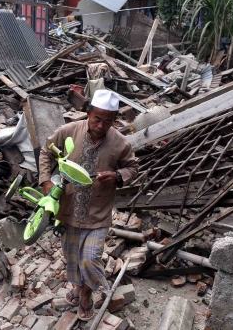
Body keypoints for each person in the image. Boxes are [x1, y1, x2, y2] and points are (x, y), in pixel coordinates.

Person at [38, 89, 139, 321]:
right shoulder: (69, 131)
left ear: (114, 120)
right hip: (67, 209)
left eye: (108, 121)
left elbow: (133, 168)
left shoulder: (120, 143)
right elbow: (46, 150)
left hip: (98, 213)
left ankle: (85, 294)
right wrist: (45, 180)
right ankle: (77, 285)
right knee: (71, 255)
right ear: (89, 113)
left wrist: (117, 175)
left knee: (90, 257)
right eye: (97, 118)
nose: (101, 125)